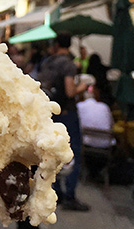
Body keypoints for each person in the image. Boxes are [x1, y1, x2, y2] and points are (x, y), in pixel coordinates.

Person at [39, 33, 91, 212]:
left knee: (52, 153)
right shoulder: (68, 64)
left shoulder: (47, 63)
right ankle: (70, 195)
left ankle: (56, 192)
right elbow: (70, 91)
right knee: (72, 152)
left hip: (50, 113)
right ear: (69, 46)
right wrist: (82, 88)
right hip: (67, 114)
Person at [77, 85, 115, 180]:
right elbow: (112, 125)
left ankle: (86, 173)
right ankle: (99, 173)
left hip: (87, 143)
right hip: (105, 145)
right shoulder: (104, 107)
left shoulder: (79, 106)